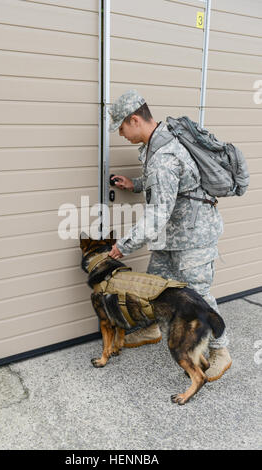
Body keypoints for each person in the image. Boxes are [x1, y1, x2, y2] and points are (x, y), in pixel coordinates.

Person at [107, 89, 232, 382]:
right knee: (157, 286)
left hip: (193, 237)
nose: (121, 135)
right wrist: (135, 184)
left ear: (135, 119)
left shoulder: (164, 155)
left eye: (121, 128)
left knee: (198, 296)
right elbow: (169, 185)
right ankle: (155, 327)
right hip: (171, 236)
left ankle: (221, 351)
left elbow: (158, 214)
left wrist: (123, 246)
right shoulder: (158, 145)